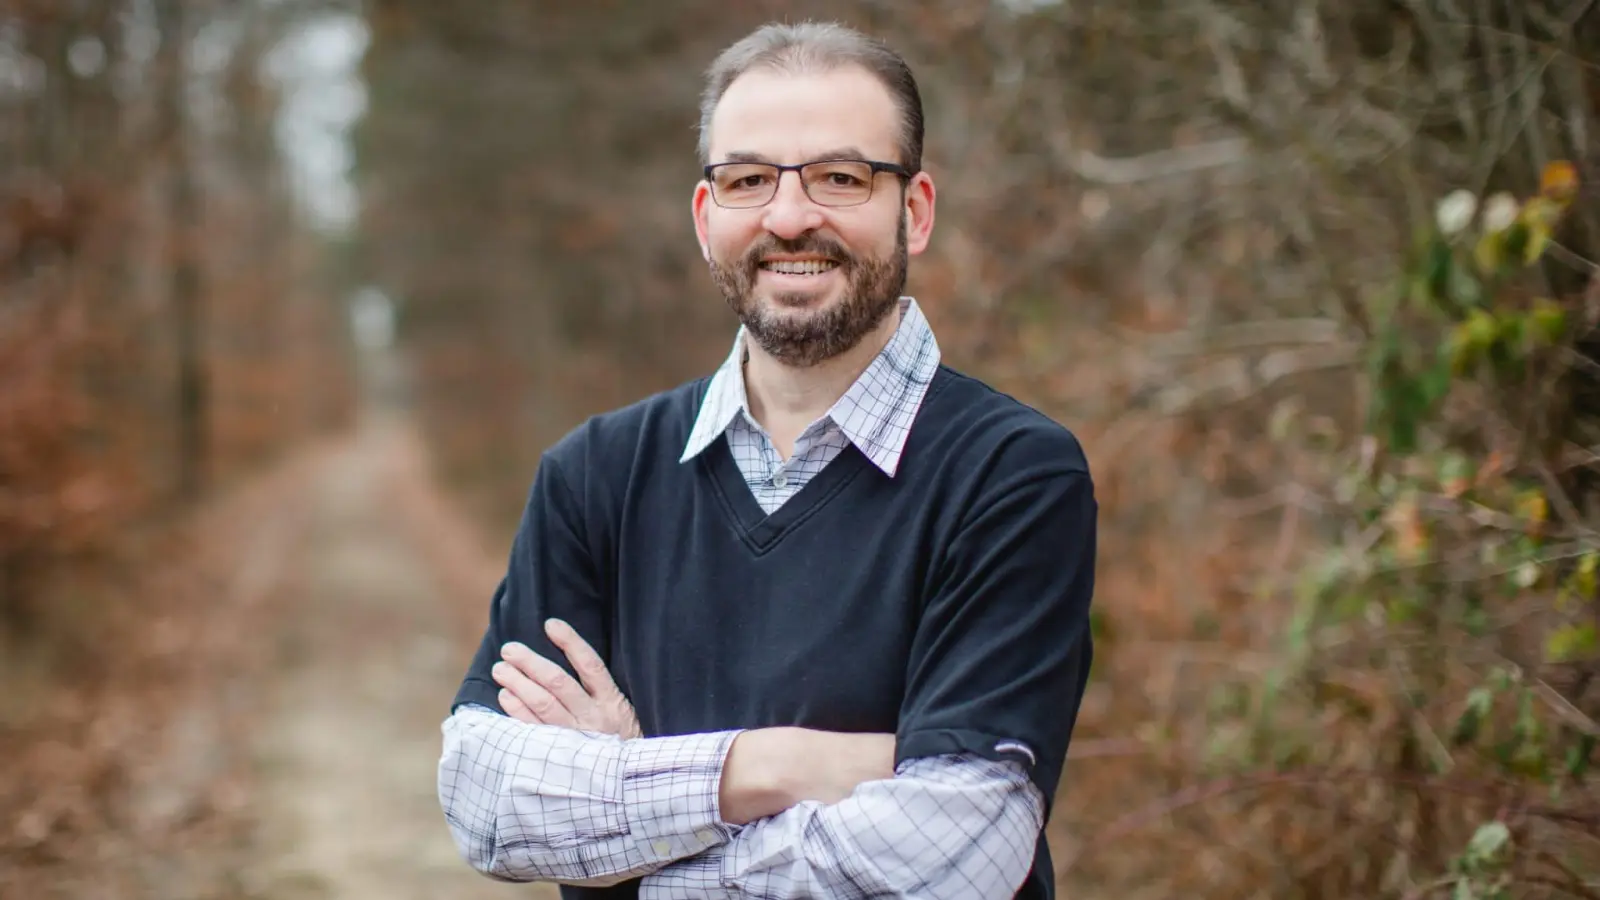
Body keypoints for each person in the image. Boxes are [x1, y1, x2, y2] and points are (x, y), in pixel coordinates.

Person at [437, 19, 1097, 900]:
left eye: (840, 176)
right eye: (749, 180)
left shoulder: (1012, 476)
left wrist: (629, 830)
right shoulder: (593, 474)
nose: (790, 217)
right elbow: (485, 802)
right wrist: (780, 765)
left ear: (915, 210)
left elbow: (957, 851)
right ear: (708, 218)